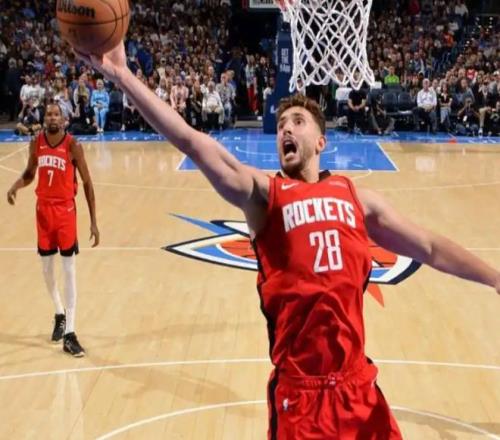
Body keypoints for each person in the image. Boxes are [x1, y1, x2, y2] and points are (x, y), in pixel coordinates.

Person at [76, 43, 500, 438]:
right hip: (301, 397)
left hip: (359, 389)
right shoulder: (266, 196)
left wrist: (495, 278)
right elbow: (193, 142)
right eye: (280, 126)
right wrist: (123, 77)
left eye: (297, 122)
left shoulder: (358, 199)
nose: (285, 130)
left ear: (321, 141)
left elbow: (429, 247)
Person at [7, 103, 100, 357]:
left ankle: (70, 333)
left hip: (65, 211)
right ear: (44, 118)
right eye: (49, 114)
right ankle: (59, 312)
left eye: (56, 114)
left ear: (63, 118)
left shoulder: (72, 145)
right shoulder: (36, 142)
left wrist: (93, 221)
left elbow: (87, 183)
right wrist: (16, 185)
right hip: (43, 211)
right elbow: (30, 173)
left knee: (69, 270)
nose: (52, 117)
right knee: (47, 269)